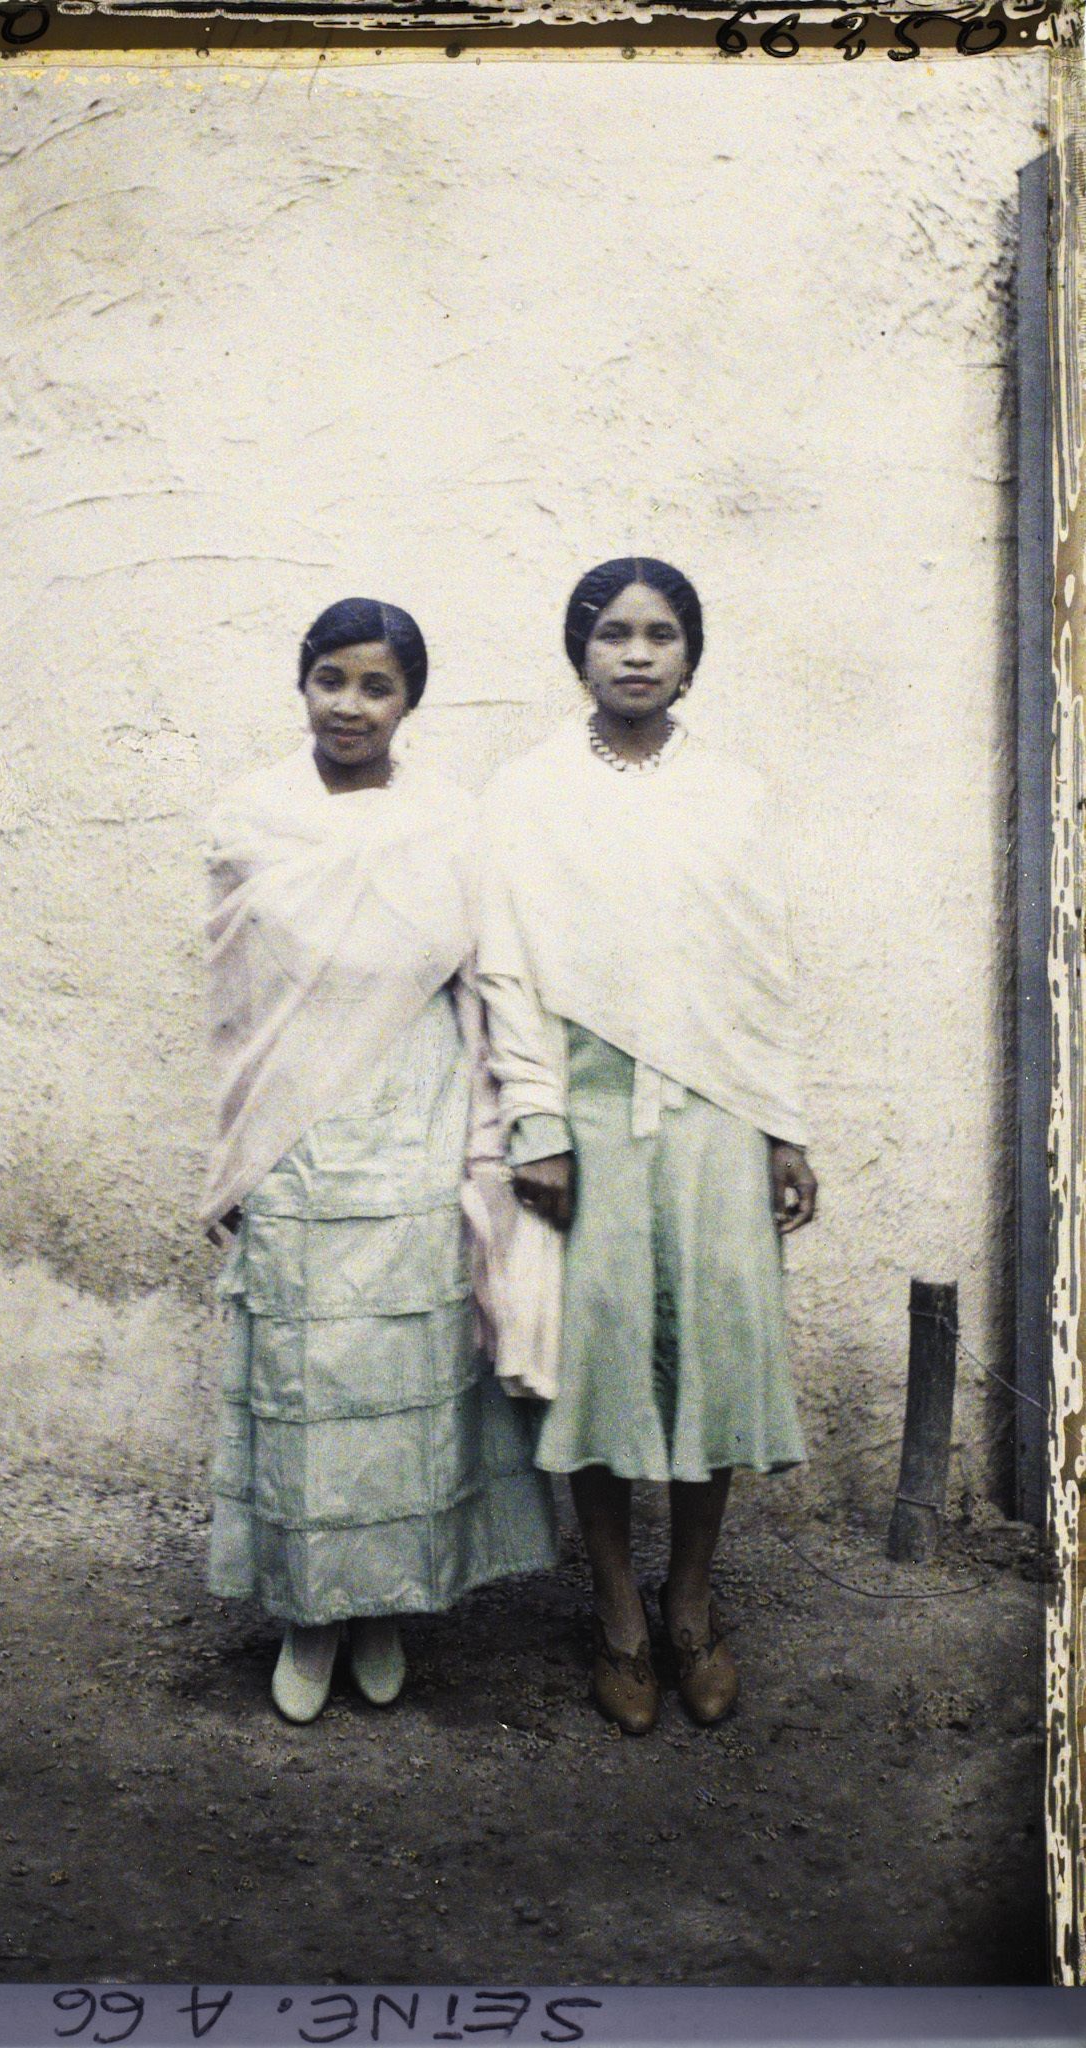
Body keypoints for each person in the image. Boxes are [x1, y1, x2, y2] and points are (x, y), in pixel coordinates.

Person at [201, 597, 558, 1725]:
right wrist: (238, 1152)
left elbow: (491, 974)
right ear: (301, 683)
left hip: (414, 1116)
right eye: (331, 680)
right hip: (298, 1132)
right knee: (309, 1376)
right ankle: (311, 1612)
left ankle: (386, 1606)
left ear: (410, 701)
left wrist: (514, 1130)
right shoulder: (253, 817)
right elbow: (238, 1010)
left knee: (404, 1375)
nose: (350, 704)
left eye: (376, 686)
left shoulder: (451, 822)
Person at [477, 557, 816, 1736]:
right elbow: (506, 964)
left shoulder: (735, 791)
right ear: (578, 649)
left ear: (690, 653)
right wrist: (537, 1122)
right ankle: (617, 1612)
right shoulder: (525, 792)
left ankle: (691, 1603)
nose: (635, 652)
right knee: (606, 1352)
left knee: (712, 1348)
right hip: (587, 1102)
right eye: (611, 631)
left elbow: (761, 964)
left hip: (715, 1105)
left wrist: (781, 1123)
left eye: (660, 633)